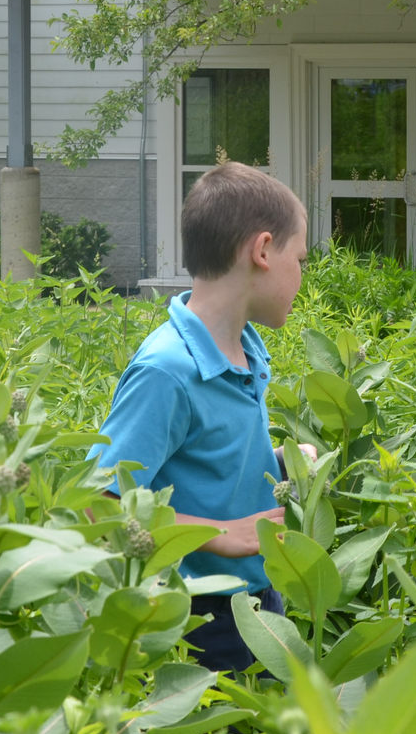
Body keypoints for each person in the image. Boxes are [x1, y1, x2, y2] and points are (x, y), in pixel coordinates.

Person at [89, 161, 309, 672]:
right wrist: (219, 532)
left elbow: (200, 464)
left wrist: (275, 463)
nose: (302, 274)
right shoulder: (167, 370)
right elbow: (99, 507)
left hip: (256, 600)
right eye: (299, 259)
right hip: (196, 618)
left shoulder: (245, 348)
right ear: (262, 251)